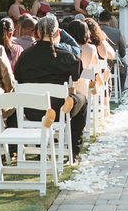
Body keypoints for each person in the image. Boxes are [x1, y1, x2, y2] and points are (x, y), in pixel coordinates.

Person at [14, 17, 87, 157]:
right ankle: (74, 151)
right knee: (81, 98)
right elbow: (77, 74)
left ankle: (37, 147)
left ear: (36, 33)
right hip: (58, 110)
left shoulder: (25, 56)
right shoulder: (66, 56)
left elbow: (18, 77)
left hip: (31, 110)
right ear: (57, 34)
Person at [98, 11, 128, 91]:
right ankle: (120, 90)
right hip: (112, 65)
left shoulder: (93, 31)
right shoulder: (117, 32)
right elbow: (122, 51)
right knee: (124, 66)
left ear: (98, 20)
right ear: (110, 21)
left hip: (96, 63)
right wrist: (121, 56)